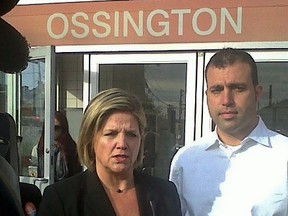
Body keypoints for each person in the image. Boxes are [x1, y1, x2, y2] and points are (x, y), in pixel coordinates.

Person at [169, 48, 288, 216]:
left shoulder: (284, 157)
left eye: (238, 88)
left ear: (257, 93)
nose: (226, 100)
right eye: (217, 90)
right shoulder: (186, 160)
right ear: (207, 96)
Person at [39, 88, 181, 216]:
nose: (122, 144)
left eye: (131, 134)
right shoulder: (62, 198)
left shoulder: (165, 193)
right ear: (90, 139)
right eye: (111, 134)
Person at [34, 111, 82, 181]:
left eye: (56, 128)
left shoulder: (70, 147)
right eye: (49, 127)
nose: (52, 131)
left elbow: (74, 172)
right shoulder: (39, 147)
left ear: (63, 129)